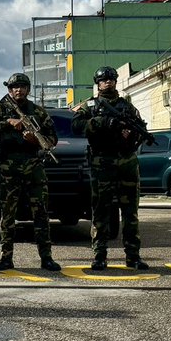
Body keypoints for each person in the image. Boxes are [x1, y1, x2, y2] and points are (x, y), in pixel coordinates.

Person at [71, 66, 150, 271]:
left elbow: (140, 128)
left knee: (130, 213)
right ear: (97, 84)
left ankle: (133, 256)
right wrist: (104, 122)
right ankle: (99, 256)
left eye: (111, 79)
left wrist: (131, 133)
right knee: (101, 211)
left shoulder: (127, 106)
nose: (107, 82)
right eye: (103, 80)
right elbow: (76, 126)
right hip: (102, 162)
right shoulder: (90, 105)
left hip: (126, 161)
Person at [0, 73, 61, 272]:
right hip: (9, 169)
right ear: (9, 90)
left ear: (28, 89)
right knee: (8, 215)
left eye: (22, 87)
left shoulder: (38, 111)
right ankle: (6, 258)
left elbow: (52, 138)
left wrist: (36, 140)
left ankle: (46, 257)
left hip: (34, 167)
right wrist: (7, 122)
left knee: (41, 213)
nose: (18, 90)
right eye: (14, 87)